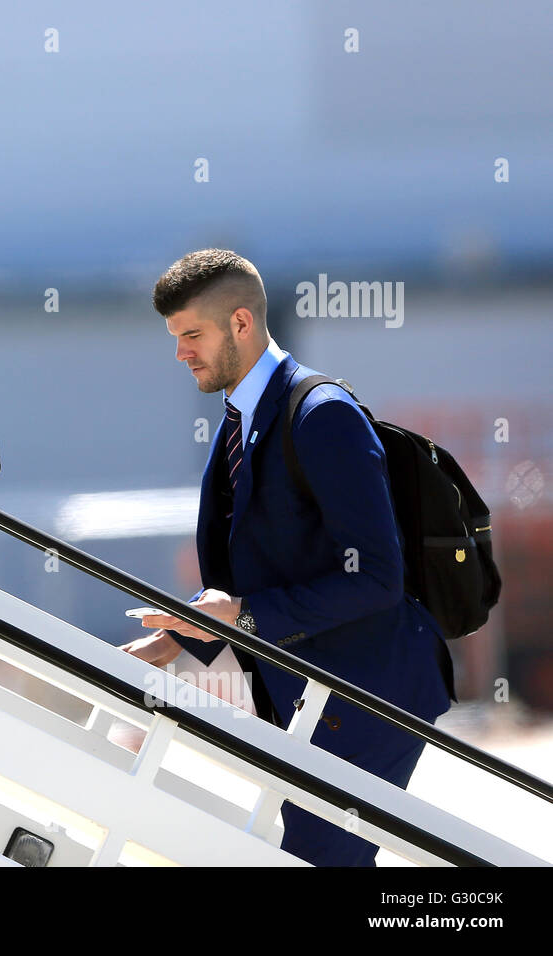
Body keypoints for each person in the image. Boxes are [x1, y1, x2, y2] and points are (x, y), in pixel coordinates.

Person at [128, 248, 454, 866]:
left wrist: (242, 613)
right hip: (314, 692)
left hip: (367, 691)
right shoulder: (240, 419)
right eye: (175, 338)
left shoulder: (321, 416)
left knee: (320, 858)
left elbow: (378, 579)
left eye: (192, 334)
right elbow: (260, 561)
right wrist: (187, 636)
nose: (180, 353)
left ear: (242, 323)